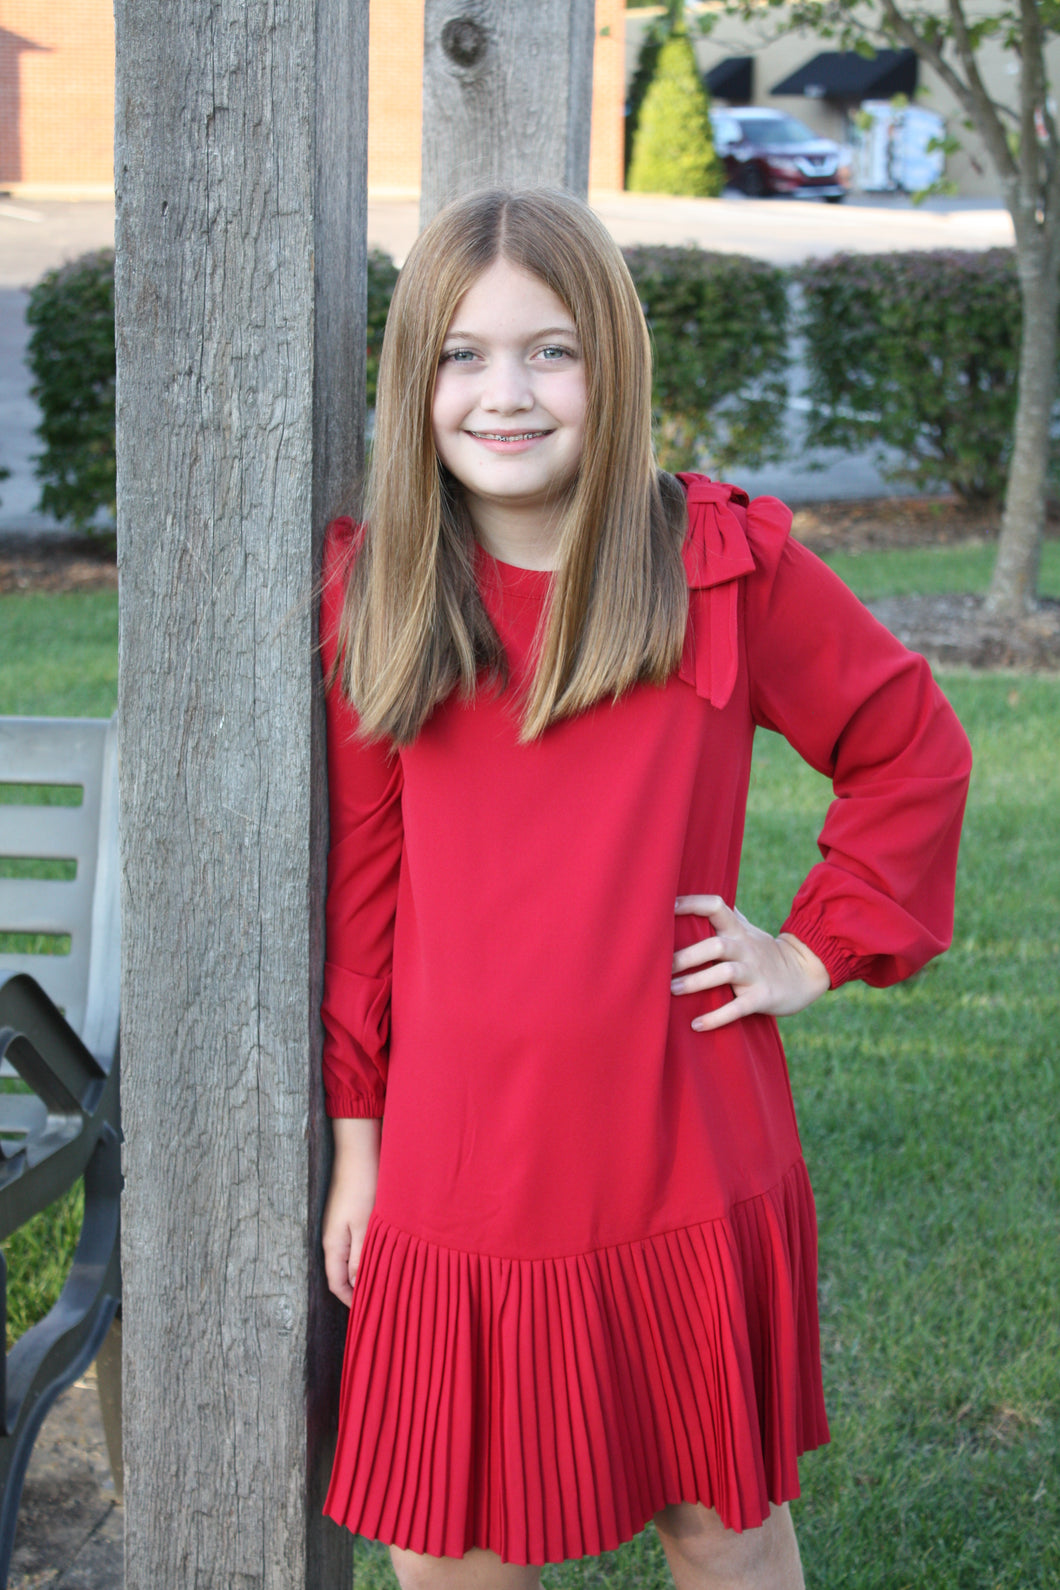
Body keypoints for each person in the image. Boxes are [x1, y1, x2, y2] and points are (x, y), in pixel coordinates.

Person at [318, 188, 971, 1590]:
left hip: (679, 1134)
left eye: (551, 350)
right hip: (461, 1157)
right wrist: (360, 1145)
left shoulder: (718, 565)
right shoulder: (382, 593)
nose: (508, 392)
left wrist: (812, 947)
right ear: (414, 377)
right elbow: (365, 895)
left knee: (714, 1522)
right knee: (448, 1549)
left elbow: (910, 745)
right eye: (464, 354)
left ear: (611, 363)